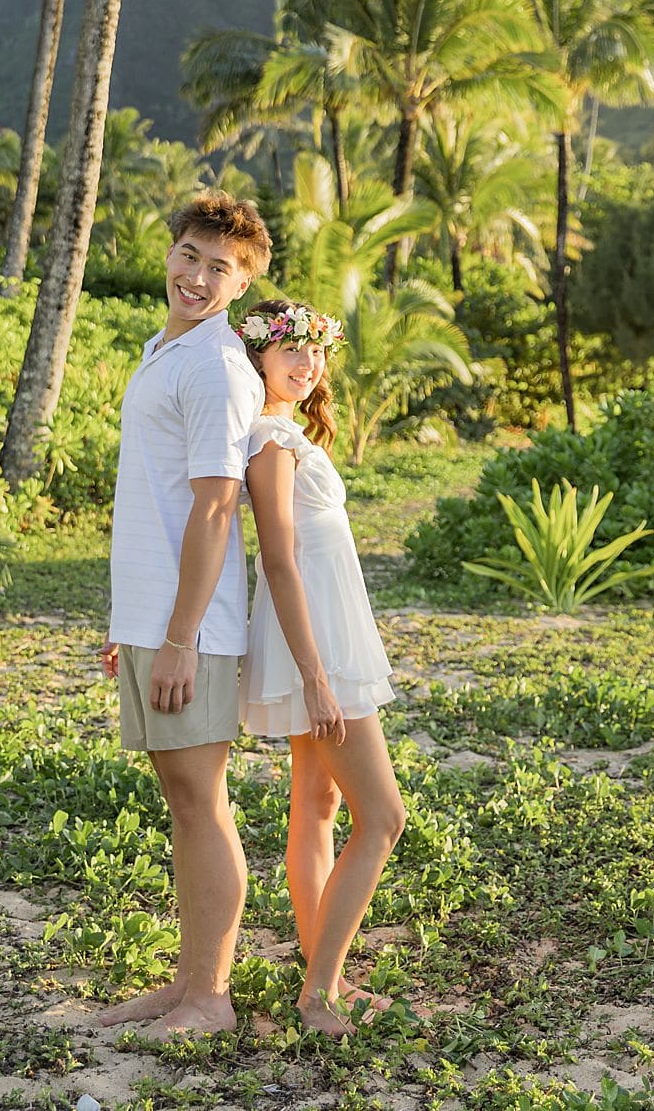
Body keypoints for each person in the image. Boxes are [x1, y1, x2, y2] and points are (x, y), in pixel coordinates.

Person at [99, 192, 272, 1038]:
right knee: (183, 801)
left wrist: (175, 640)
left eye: (220, 268)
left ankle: (210, 995)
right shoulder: (164, 349)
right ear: (169, 252)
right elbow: (154, 504)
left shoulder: (214, 365)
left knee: (202, 802)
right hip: (156, 624)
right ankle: (187, 981)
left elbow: (214, 509)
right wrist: (131, 628)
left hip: (191, 633)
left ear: (242, 285)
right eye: (191, 257)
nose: (198, 277)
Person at [238, 299, 406, 1036]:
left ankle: (323, 976)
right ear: (261, 358)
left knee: (318, 808)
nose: (307, 365)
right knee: (384, 819)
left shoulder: (291, 434)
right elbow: (278, 560)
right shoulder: (271, 444)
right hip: (320, 651)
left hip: (329, 640)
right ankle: (317, 998)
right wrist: (314, 674)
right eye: (291, 352)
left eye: (315, 353)